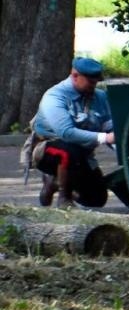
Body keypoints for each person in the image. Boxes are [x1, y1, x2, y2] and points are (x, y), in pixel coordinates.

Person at [31, 57, 118, 208]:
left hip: (82, 153)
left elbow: (109, 128)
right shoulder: (55, 96)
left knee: (97, 199)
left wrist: (121, 147)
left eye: (96, 82)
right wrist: (105, 138)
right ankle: (64, 199)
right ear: (75, 75)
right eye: (90, 82)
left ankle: (55, 183)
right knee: (69, 150)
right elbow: (66, 133)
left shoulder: (100, 97)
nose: (94, 85)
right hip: (49, 150)